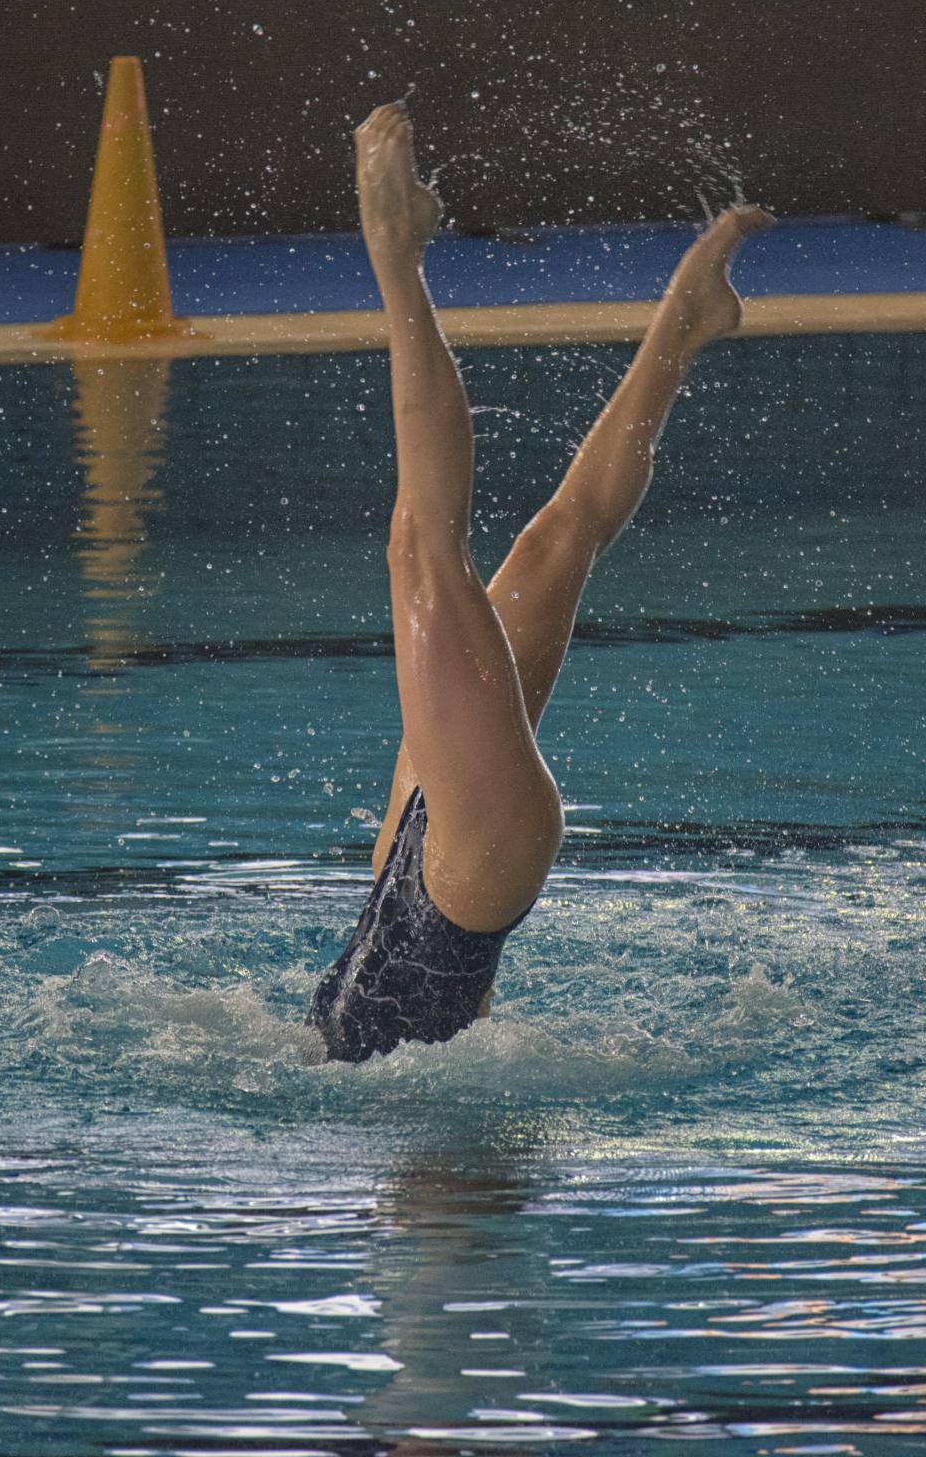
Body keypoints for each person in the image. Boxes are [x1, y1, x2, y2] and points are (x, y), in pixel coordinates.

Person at [307, 101, 773, 1063]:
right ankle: (397, 256)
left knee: (553, 542)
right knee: (423, 550)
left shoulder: (366, 1068)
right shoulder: (419, 1130)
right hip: (465, 869)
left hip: (437, 859)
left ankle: (682, 324)